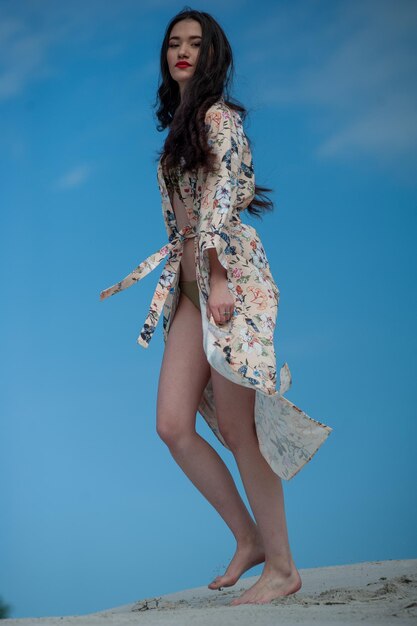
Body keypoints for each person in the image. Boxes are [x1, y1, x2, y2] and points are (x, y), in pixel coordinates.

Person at [100, 8, 333, 606]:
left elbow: (224, 204)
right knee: (173, 425)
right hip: (187, 293)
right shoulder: (182, 123)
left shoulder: (217, 118)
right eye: (174, 44)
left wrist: (220, 277)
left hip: (224, 284)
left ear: (214, 55)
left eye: (195, 44)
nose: (182, 51)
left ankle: (282, 568)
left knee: (238, 428)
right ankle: (249, 540)